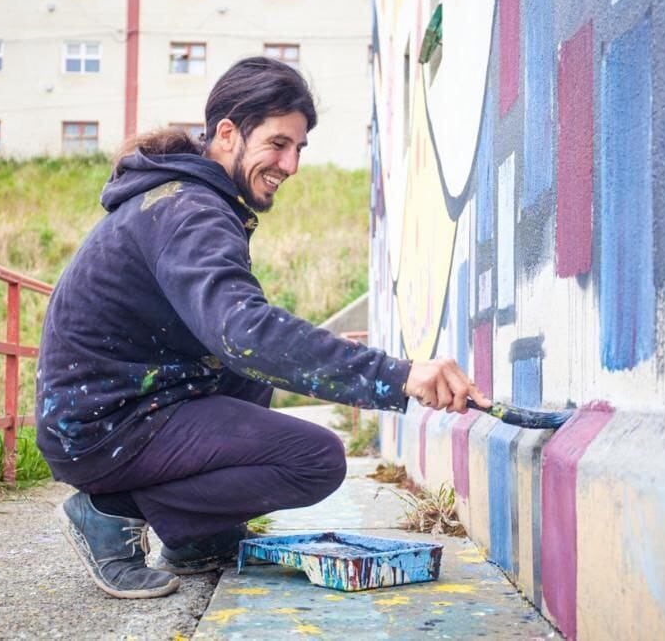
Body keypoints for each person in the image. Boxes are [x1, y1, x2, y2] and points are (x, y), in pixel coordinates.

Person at [35, 56, 490, 599]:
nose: (291, 164)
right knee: (315, 461)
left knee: (252, 379)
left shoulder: (188, 199)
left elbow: (240, 337)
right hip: (103, 429)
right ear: (228, 133)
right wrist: (399, 376)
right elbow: (245, 332)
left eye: (298, 148)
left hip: (120, 407)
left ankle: (196, 536)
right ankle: (108, 511)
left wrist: (324, 358)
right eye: (278, 144)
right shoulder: (191, 209)